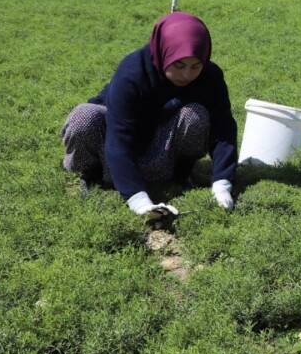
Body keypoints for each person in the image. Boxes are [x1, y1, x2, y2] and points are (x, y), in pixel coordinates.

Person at [62, 12, 238, 219]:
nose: (186, 75)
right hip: (112, 149)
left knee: (195, 115)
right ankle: (91, 174)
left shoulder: (211, 77)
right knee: (84, 116)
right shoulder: (133, 72)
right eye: (179, 65)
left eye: (195, 66)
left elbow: (223, 128)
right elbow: (118, 137)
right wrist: (139, 201)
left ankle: (179, 176)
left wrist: (222, 184)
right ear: (164, 52)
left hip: (163, 151)